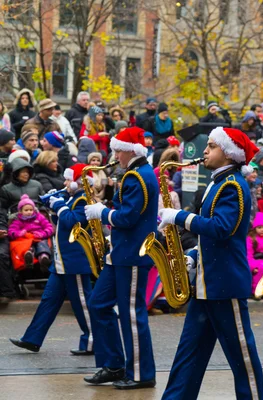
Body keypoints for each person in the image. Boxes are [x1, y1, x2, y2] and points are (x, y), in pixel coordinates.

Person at [156, 127, 263, 400]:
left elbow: (221, 229)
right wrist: (192, 257)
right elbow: (212, 239)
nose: (205, 150)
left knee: (243, 359)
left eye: (213, 146)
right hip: (208, 284)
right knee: (188, 354)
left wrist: (180, 217)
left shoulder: (232, 185)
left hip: (225, 285)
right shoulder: (218, 183)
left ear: (229, 154)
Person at [83, 126, 158, 390]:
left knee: (131, 315)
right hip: (122, 254)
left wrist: (101, 212)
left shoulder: (137, 176)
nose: (114, 154)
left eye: (117, 149)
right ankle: (114, 364)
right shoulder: (134, 173)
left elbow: (127, 217)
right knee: (98, 304)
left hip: (132, 255)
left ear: (129, 150)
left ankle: (141, 373)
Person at [9, 164, 95, 355]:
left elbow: (74, 222)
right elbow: (60, 224)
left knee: (83, 305)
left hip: (75, 262)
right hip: (62, 262)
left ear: (79, 182)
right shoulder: (73, 198)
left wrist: (60, 205)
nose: (65, 183)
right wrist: (55, 207)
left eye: (68, 179)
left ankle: (92, 341)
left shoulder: (84, 199)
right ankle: (32, 339)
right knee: (48, 301)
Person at [7, 193, 53, 270]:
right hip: (26, 239)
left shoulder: (39, 217)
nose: (29, 212)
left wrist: (42, 234)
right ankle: (28, 256)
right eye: (26, 210)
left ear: (34, 209)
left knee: (43, 244)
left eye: (31, 210)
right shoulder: (18, 220)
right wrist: (18, 234)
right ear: (20, 211)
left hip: (39, 237)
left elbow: (49, 227)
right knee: (28, 246)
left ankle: (44, 257)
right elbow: (11, 231)